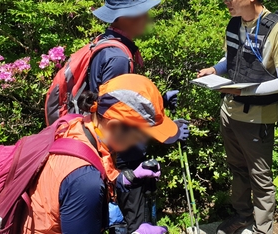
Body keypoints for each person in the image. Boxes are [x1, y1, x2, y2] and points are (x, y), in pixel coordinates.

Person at [198, 0, 278, 234]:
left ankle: (263, 228)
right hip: (229, 112)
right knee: (237, 169)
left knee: (260, 177)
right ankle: (242, 216)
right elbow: (231, 57)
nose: (226, 1)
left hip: (257, 117)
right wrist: (215, 70)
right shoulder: (235, 23)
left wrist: (244, 92)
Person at [91, 0, 189, 232]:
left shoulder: (107, 42)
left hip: (113, 150)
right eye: (142, 12)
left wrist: (161, 103)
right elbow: (117, 116)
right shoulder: (118, 58)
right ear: (126, 18)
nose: (147, 17)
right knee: (134, 222)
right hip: (123, 157)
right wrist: (169, 130)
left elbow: (119, 102)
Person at [22, 74, 175, 234]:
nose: (144, 142)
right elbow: (81, 183)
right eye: (142, 136)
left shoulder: (78, 126)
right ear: (114, 126)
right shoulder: (85, 181)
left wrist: (127, 179)